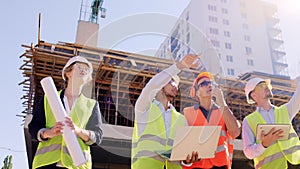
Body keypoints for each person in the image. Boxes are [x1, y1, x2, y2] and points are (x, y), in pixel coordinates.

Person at [29, 56, 103, 169]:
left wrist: (78, 131)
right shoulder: (49, 98)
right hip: (47, 164)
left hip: (77, 165)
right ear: (68, 73)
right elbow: (34, 126)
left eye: (86, 69)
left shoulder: (92, 105)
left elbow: (97, 136)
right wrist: (48, 133)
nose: (83, 70)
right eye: (79, 67)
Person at [131, 54, 201, 169]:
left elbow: (183, 156)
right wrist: (180, 66)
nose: (176, 87)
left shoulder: (181, 119)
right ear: (161, 85)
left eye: (176, 85)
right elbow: (152, 86)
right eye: (171, 82)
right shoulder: (144, 108)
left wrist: (187, 161)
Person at [182, 72, 241, 169]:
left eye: (211, 83)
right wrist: (186, 161)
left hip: (221, 165)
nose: (209, 85)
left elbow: (235, 132)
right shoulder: (188, 114)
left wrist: (222, 102)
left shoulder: (224, 110)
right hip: (197, 166)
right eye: (204, 84)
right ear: (196, 92)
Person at [243, 77, 300, 169]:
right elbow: (248, 152)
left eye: (266, 84)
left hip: (295, 163)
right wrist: (263, 145)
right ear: (254, 96)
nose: (266, 87)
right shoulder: (249, 121)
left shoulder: (284, 111)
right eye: (261, 86)